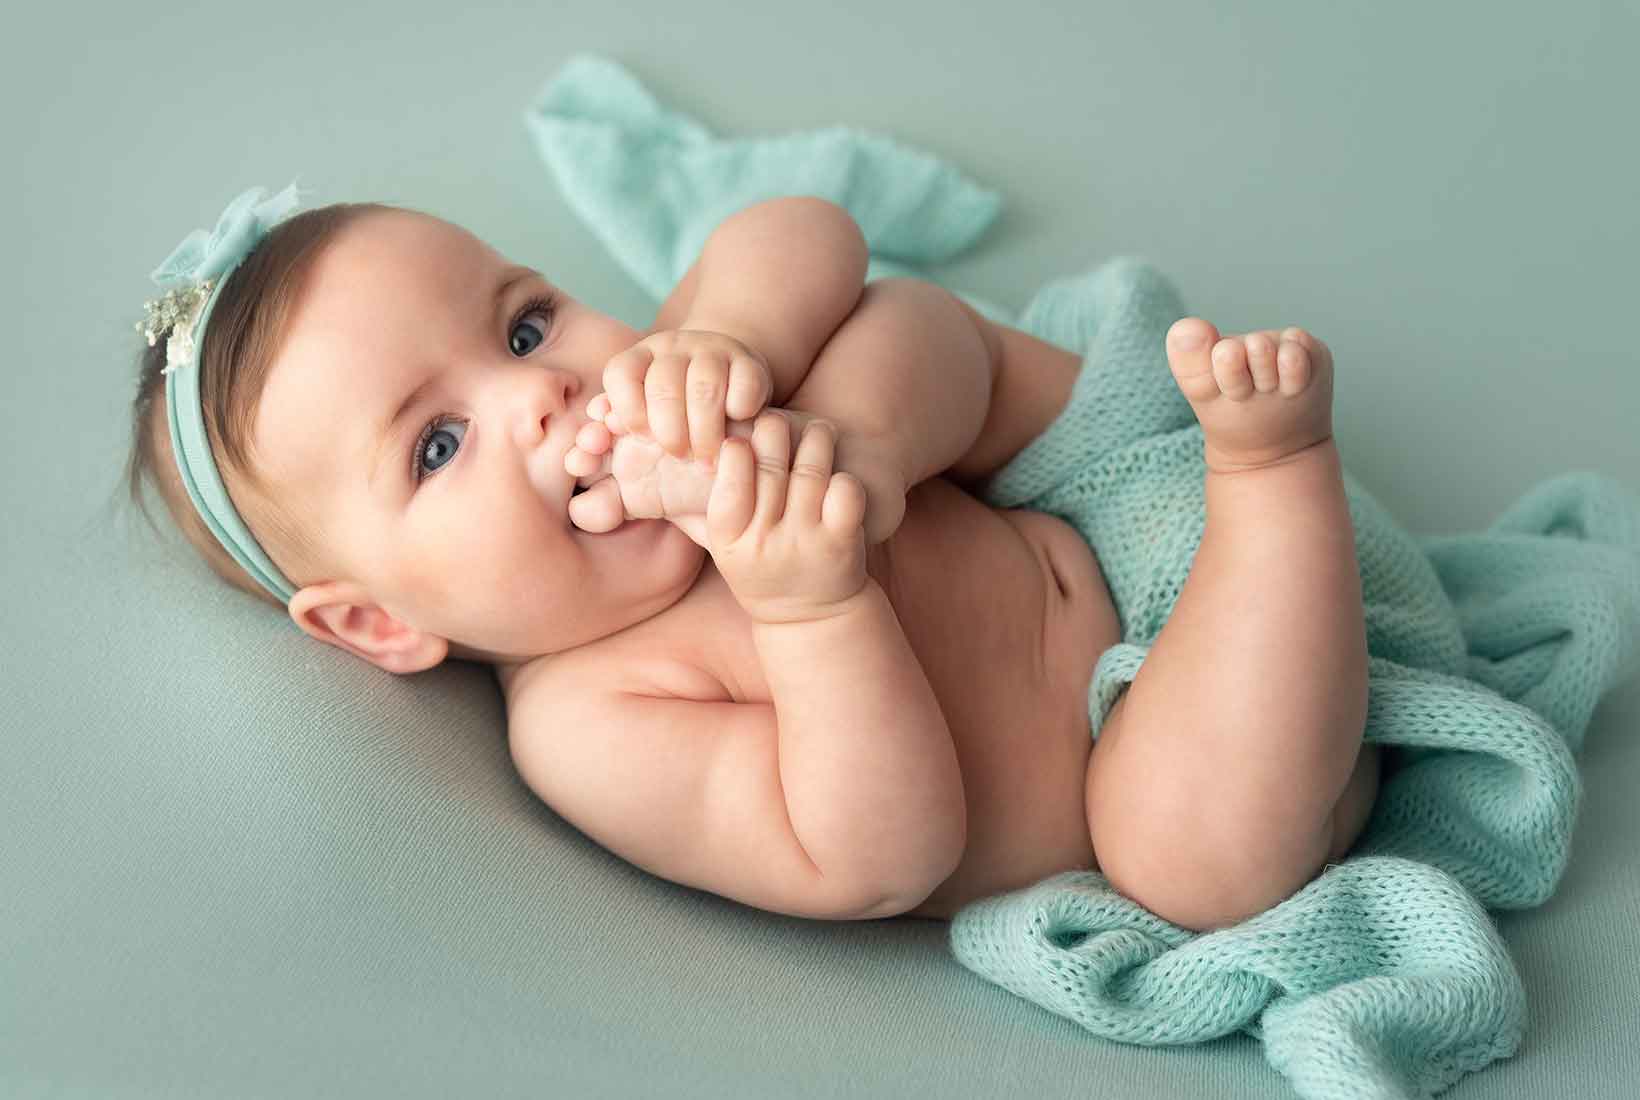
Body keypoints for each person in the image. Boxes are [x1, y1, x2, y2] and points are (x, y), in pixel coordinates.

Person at [127, 185, 1379, 932]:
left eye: (522, 320)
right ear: (378, 623)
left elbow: (804, 228)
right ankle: (1272, 481)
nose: (540, 393)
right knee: (1188, 861)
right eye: (438, 443)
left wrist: (745, 345)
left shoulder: (675, 383)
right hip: (1163, 748)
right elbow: (877, 862)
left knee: (899, 322)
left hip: (1104, 523)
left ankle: (879, 448)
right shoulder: (587, 720)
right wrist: (811, 605)